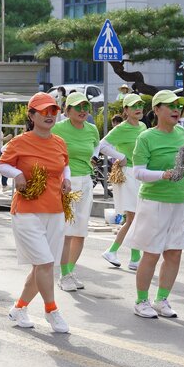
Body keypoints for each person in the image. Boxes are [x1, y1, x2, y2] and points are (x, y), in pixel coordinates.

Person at [122, 90, 184, 318]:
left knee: (174, 253)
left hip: (180, 201)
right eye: (170, 106)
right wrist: (163, 175)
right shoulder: (146, 137)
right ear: (157, 110)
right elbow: (138, 172)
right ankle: (141, 301)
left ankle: (162, 300)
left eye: (178, 105)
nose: (176, 109)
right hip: (154, 202)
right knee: (151, 253)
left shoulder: (180, 132)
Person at [0, 92, 74, 333]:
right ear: (31, 115)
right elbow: (2, 164)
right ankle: (52, 311)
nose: (50, 116)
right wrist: (17, 174)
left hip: (55, 208)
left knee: (42, 266)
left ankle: (19, 308)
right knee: (46, 262)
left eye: (53, 111)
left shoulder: (59, 142)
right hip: (27, 210)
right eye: (44, 112)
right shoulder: (19, 142)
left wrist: (67, 179)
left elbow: (65, 165)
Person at [54, 92, 116, 291]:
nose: (82, 111)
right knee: (66, 231)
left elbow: (96, 146)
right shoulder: (58, 129)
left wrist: (94, 159)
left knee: (80, 231)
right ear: (67, 110)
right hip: (66, 183)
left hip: (86, 182)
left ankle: (70, 272)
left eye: (85, 107)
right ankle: (63, 275)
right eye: (77, 107)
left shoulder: (91, 129)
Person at [98, 94, 146, 271]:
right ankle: (115, 252)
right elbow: (102, 145)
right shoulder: (122, 128)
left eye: (140, 104)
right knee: (134, 217)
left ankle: (133, 258)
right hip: (127, 174)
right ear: (125, 110)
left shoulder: (143, 126)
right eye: (133, 106)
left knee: (135, 218)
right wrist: (121, 157)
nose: (138, 108)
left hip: (140, 174)